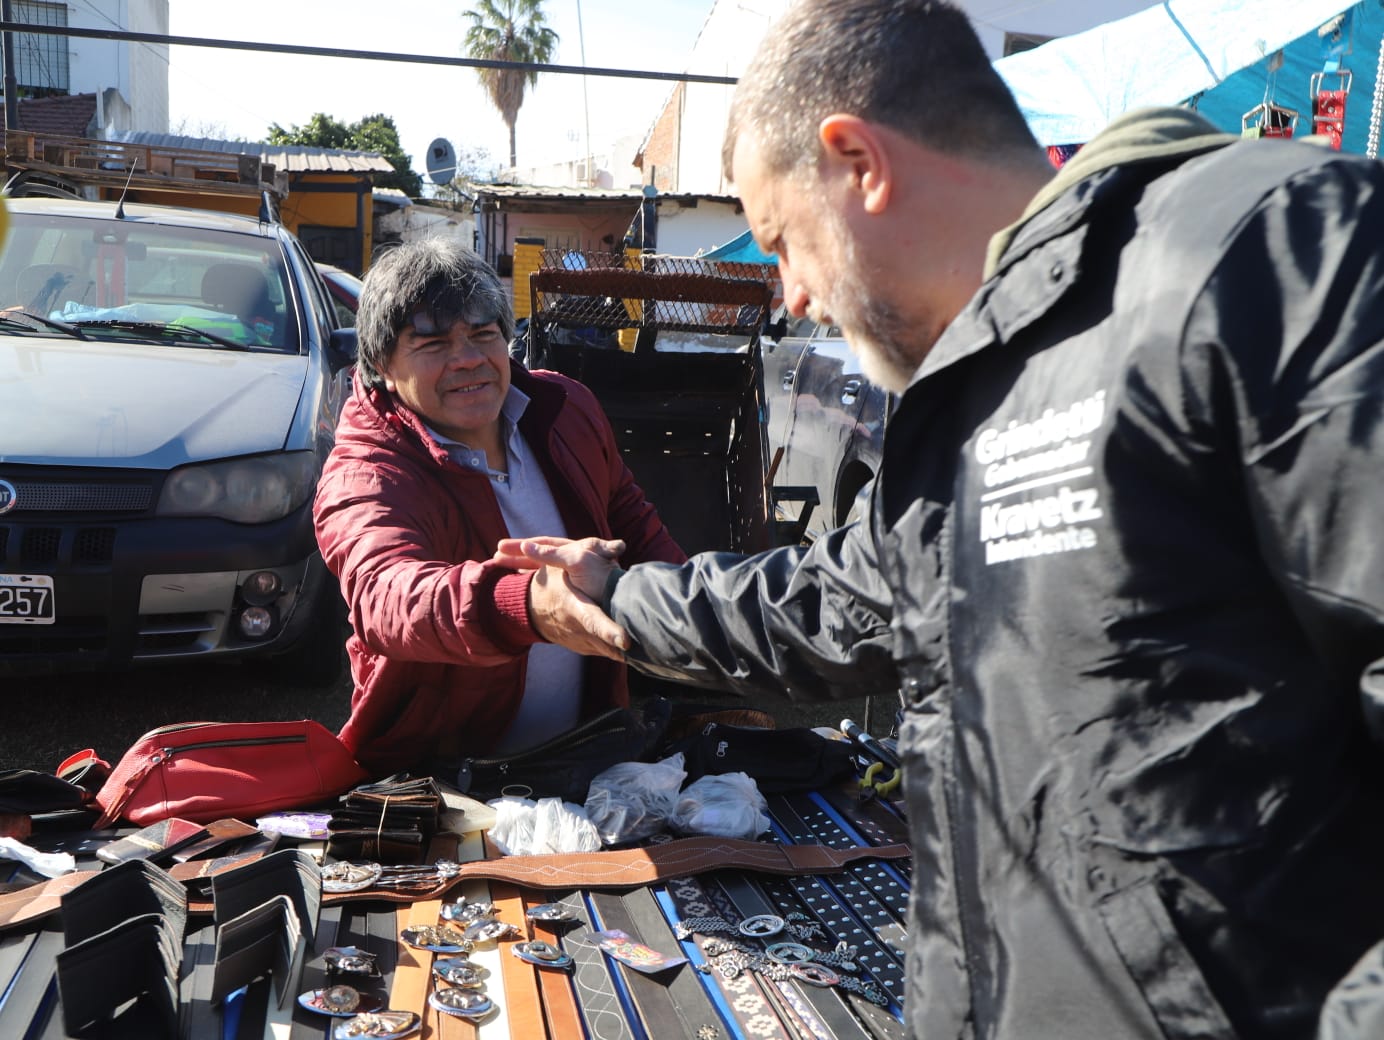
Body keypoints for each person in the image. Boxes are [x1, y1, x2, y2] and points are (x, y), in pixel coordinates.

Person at [495, 1, 1384, 1037]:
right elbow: (834, 601)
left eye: (782, 240)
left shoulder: (1277, 255)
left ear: (856, 162)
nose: (789, 296)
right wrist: (622, 599)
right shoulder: (971, 390)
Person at [312, 238, 685, 776]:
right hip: (444, 783)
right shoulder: (366, 470)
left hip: (591, 752)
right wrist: (530, 606)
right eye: (433, 343)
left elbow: (631, 521)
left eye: (483, 334)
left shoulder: (565, 410)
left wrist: (699, 609)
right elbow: (387, 599)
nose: (468, 359)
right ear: (380, 364)